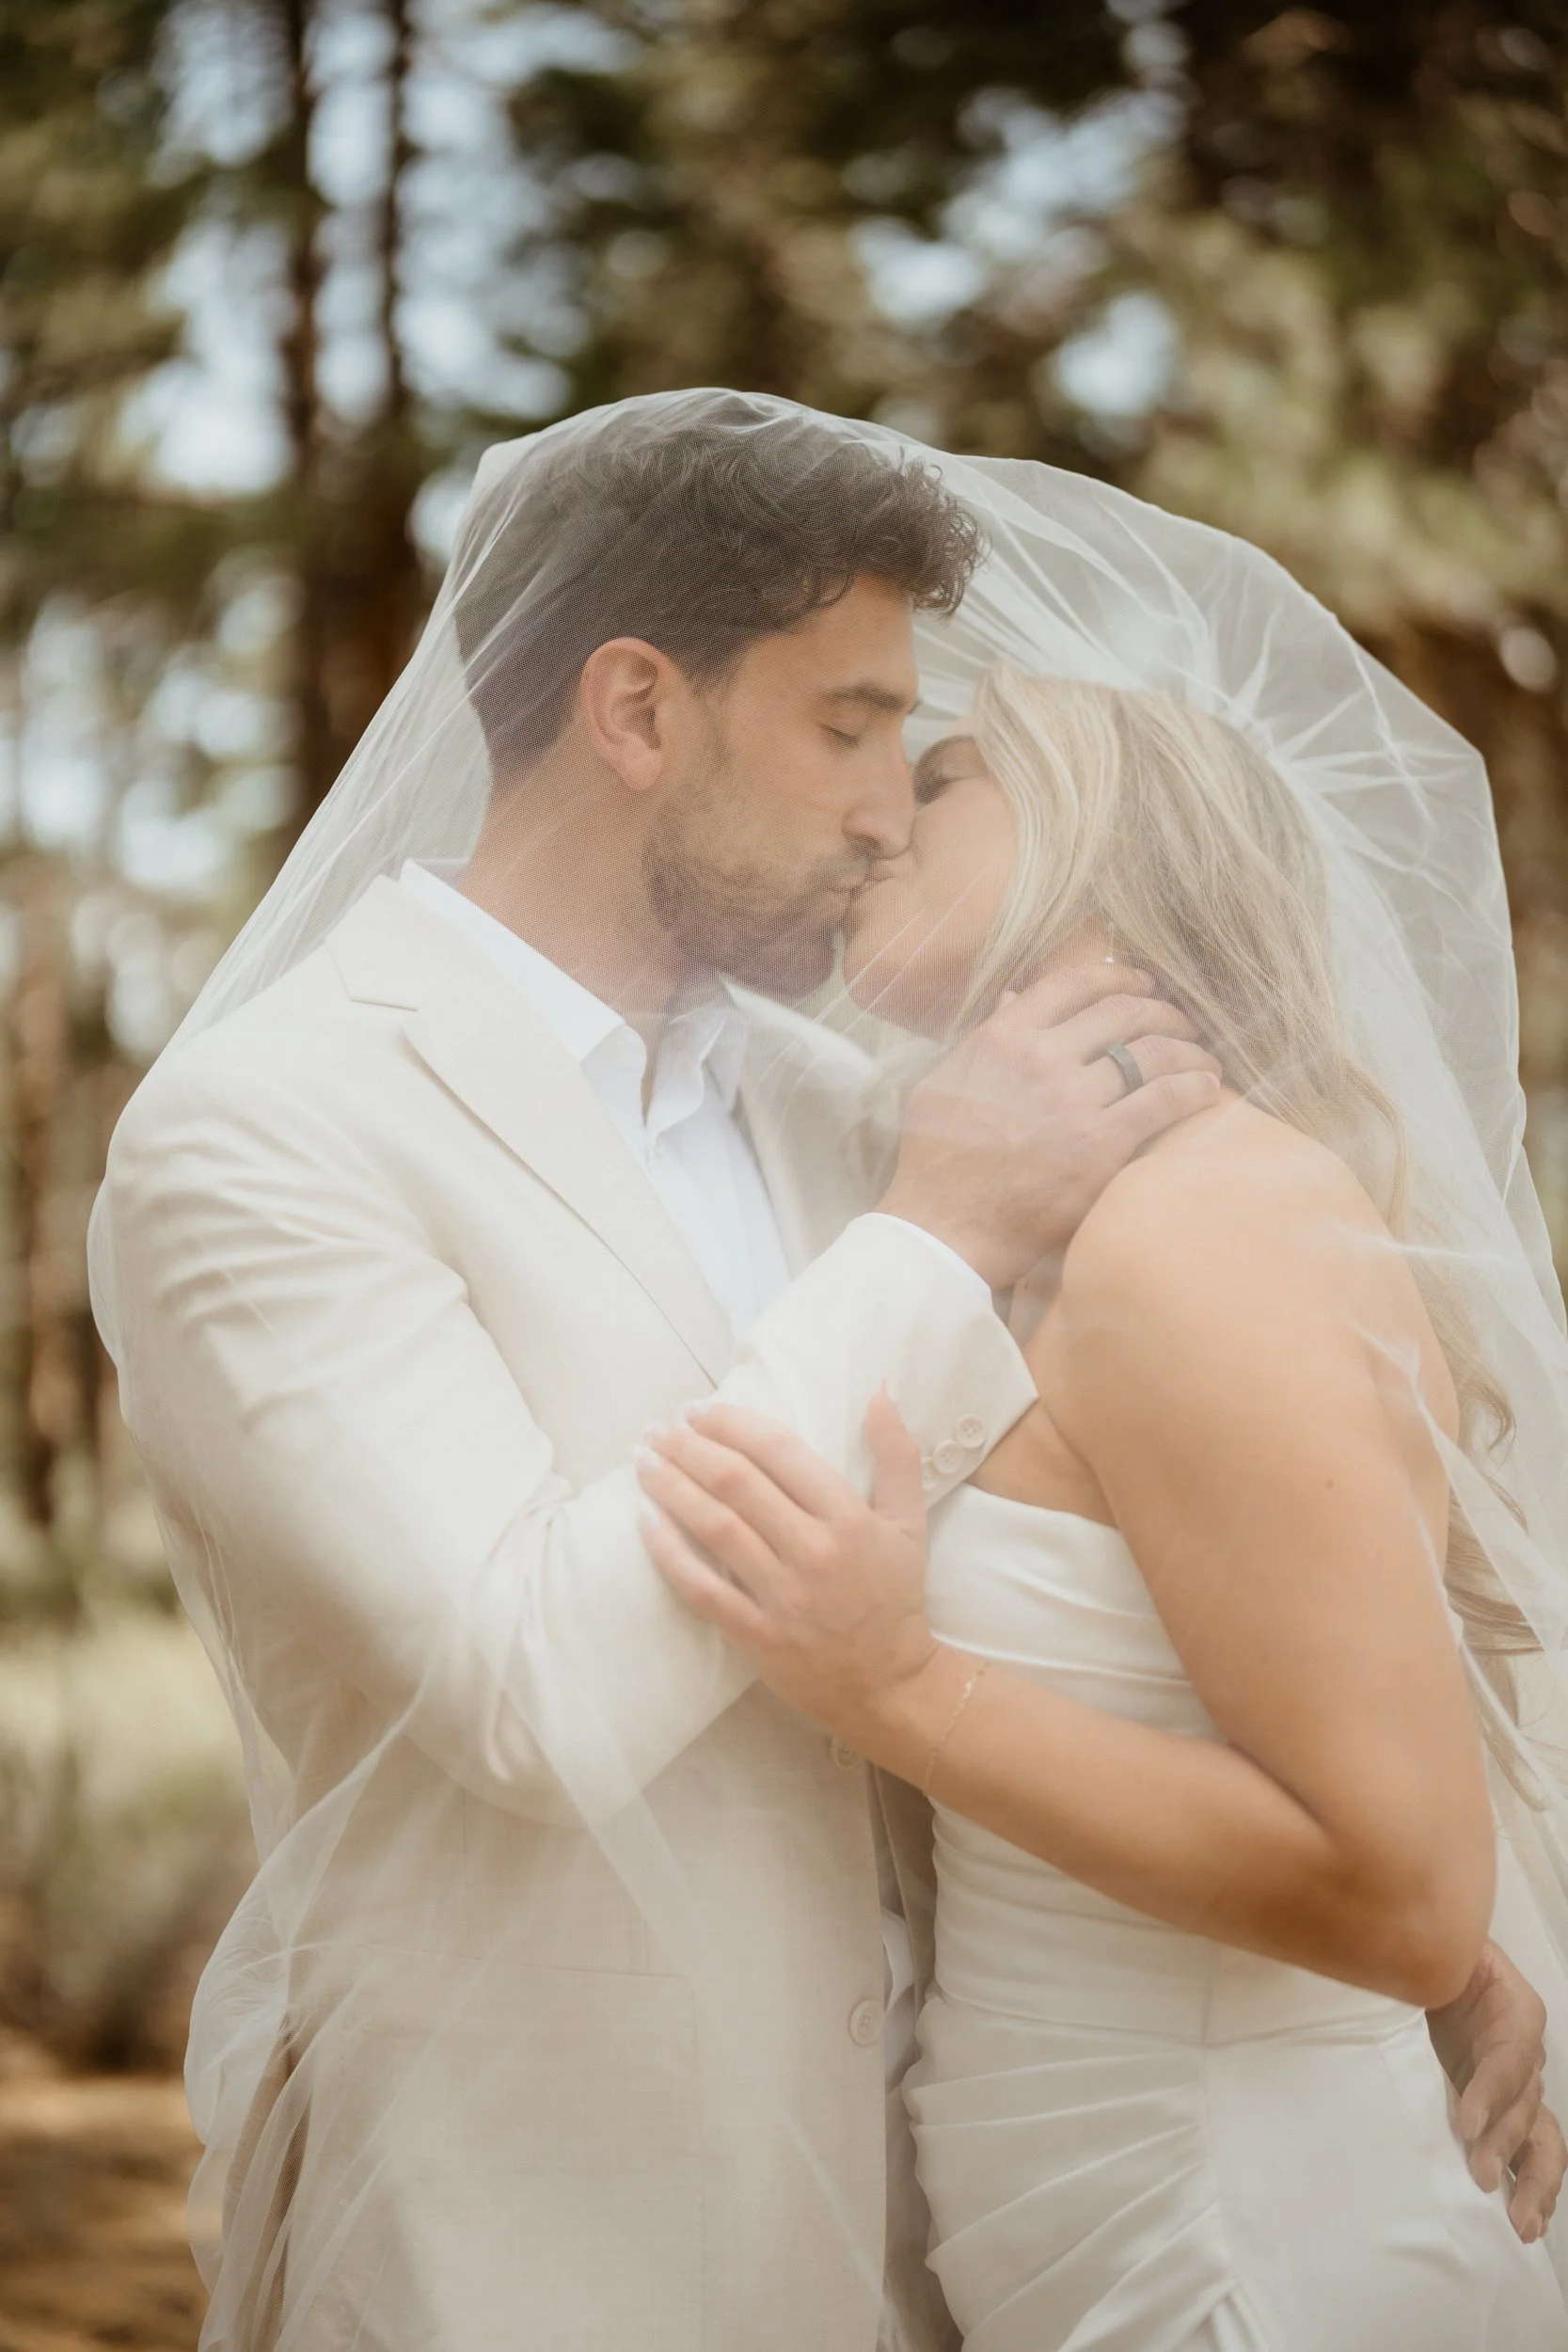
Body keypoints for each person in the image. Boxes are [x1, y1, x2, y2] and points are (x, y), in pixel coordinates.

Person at [90, 392, 1561, 2351]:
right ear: (635, 712)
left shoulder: (835, 1103)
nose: (886, 804)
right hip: (543, 2242)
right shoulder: (266, 1130)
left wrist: (1381, 1933)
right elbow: (536, 1695)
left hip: (946, 2239)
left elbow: (1109, 1549)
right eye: (848, 725)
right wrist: (939, 1224)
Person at [637, 667, 1568, 2348]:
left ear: (1099, 826)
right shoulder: (1058, 1230)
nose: (878, 820)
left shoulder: (1189, 1232)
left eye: (945, 778)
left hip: (1240, 2237)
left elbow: (1407, 1892)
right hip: (1102, 2205)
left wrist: (903, 1690)